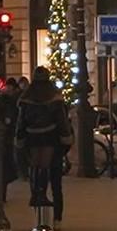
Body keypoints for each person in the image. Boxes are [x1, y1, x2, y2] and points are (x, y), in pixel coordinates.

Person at [15, 67, 73, 223]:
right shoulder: (54, 96)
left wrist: (20, 138)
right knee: (53, 175)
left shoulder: (26, 97)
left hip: (32, 137)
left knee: (36, 165)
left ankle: (36, 193)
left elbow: (21, 121)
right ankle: (56, 214)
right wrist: (66, 138)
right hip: (50, 137)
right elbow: (62, 120)